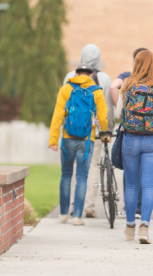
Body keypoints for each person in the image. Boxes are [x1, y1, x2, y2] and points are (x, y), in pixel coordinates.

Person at [115, 50, 153, 244]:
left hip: (130, 140)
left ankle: (130, 225)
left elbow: (118, 114)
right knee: (148, 185)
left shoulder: (127, 84)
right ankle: (144, 228)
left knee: (131, 185)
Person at [49, 63, 109, 226]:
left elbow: (58, 115)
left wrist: (53, 139)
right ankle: (77, 216)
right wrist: (103, 133)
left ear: (76, 74)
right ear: (90, 75)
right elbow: (101, 117)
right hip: (87, 140)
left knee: (66, 175)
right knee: (82, 176)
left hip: (67, 138)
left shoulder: (66, 89)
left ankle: (63, 214)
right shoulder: (96, 91)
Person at [63, 44, 115, 218]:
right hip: (94, 133)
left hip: (71, 132)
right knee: (92, 166)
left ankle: (71, 205)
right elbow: (106, 108)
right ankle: (89, 207)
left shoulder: (70, 76)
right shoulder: (105, 78)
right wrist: (108, 130)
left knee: (73, 168)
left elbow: (64, 104)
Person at [110, 47, 147, 219]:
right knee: (144, 172)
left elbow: (112, 87)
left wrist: (122, 110)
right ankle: (141, 210)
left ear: (134, 61)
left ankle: (129, 208)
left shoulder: (127, 79)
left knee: (129, 171)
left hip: (129, 131)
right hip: (149, 133)